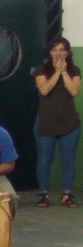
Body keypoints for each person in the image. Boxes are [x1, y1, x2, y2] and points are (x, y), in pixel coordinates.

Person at [33, 36, 81, 208]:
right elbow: (44, 90)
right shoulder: (41, 70)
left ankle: (66, 195)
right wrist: (56, 72)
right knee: (44, 159)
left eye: (62, 49)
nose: (58, 53)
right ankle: (44, 194)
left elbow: (74, 91)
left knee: (68, 160)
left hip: (69, 123)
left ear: (67, 52)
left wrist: (64, 72)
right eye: (54, 49)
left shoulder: (74, 70)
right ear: (49, 52)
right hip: (46, 122)